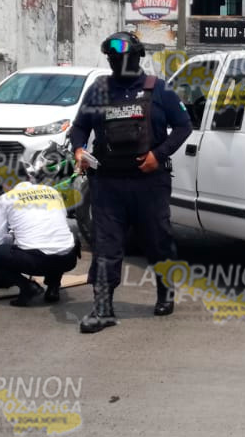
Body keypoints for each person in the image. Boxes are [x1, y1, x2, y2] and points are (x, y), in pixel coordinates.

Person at [69, 31, 192, 333]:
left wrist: (158, 155)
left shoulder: (158, 89)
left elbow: (183, 126)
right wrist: (79, 150)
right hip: (107, 184)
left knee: (158, 241)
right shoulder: (98, 90)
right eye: (112, 58)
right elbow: (79, 127)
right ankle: (102, 308)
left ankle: (165, 290)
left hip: (149, 183)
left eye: (122, 57)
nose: (117, 63)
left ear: (137, 58)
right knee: (106, 245)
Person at [0, 160, 79, 307]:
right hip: (68, 259)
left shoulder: (5, 199)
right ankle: (53, 287)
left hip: (36, 262)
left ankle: (27, 287)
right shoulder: (52, 191)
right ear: (28, 177)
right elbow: (61, 223)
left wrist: (13, 239)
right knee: (56, 239)